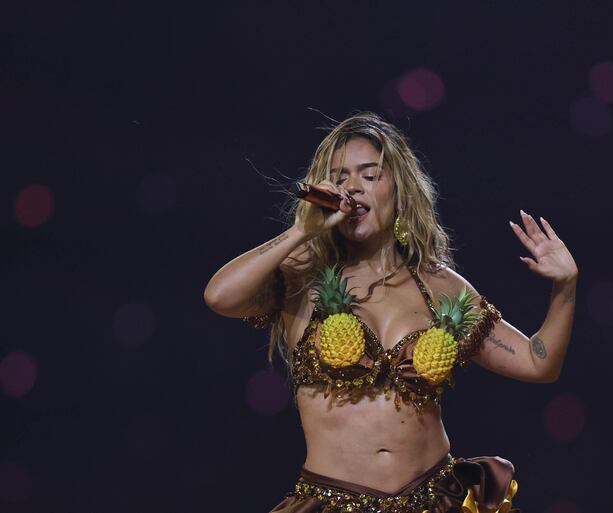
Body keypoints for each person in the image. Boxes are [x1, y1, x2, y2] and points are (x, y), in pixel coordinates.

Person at [203, 112, 578, 513]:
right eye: (340, 177)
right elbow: (220, 297)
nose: (353, 187)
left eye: (369, 175)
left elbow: (539, 363)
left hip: (433, 499)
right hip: (333, 501)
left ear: (399, 188)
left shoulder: (439, 286)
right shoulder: (302, 278)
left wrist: (565, 286)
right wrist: (302, 231)